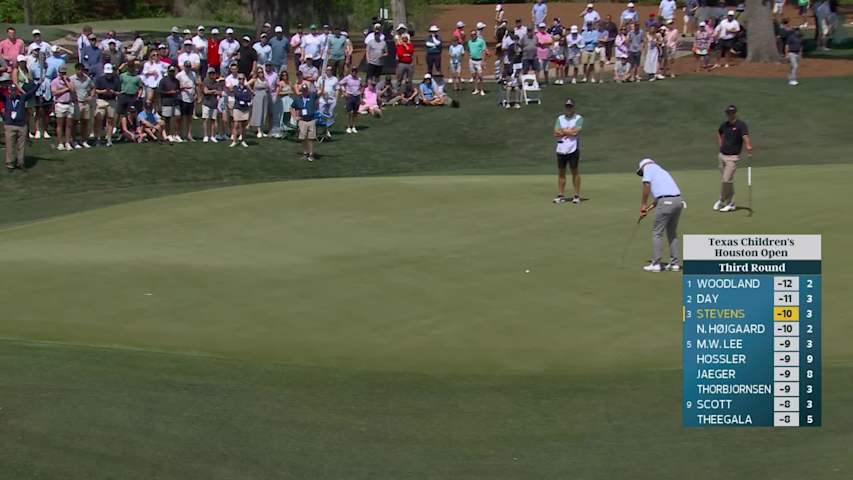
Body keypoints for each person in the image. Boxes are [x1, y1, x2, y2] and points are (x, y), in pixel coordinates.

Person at [636, 158, 683, 272]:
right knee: (672, 232)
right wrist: (647, 209)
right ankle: (675, 264)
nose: (642, 174)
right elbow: (661, 198)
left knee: (657, 233)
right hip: (678, 201)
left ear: (643, 166)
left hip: (666, 202)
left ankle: (656, 264)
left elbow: (647, 184)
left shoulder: (648, 167)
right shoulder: (662, 171)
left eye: (641, 172)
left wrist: (643, 204)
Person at [715, 105, 752, 212]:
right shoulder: (725, 125)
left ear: (735, 113)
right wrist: (720, 144)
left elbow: (745, 136)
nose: (729, 115)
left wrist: (748, 145)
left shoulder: (741, 125)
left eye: (731, 113)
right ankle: (731, 203)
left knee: (726, 180)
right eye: (727, 113)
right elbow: (719, 132)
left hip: (733, 157)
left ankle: (722, 199)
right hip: (722, 156)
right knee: (728, 182)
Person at [552, 98, 584, 204]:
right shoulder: (560, 118)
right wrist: (568, 131)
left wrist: (563, 131)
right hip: (561, 148)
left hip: (573, 148)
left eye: (570, 106)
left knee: (574, 171)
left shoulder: (579, 118)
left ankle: (577, 195)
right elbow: (556, 133)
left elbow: (576, 132)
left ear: (574, 108)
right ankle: (561, 195)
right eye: (567, 106)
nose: (568, 108)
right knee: (561, 172)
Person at [2, 82, 37, 171]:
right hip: (10, 125)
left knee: (21, 145)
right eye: (12, 90)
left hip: (21, 125)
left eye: (15, 90)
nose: (13, 92)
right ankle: (10, 164)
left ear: (17, 91)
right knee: (10, 145)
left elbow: (31, 93)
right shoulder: (6, 98)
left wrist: (39, 84)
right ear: (9, 91)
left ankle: (20, 162)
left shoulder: (22, 98)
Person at [94, 63, 121, 146]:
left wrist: (113, 92)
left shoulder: (116, 80)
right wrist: (104, 91)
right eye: (107, 73)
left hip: (112, 101)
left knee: (110, 120)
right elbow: (95, 90)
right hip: (101, 100)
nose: (108, 75)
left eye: (109, 73)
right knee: (99, 118)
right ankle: (97, 138)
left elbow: (119, 92)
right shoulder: (99, 79)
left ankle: (109, 138)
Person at [292, 83, 318, 161]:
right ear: (301, 91)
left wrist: (322, 81)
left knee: (311, 138)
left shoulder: (312, 96)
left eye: (306, 90)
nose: (304, 92)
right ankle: (305, 153)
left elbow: (319, 92)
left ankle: (311, 154)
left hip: (311, 120)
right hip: (302, 121)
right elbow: (292, 107)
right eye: (303, 90)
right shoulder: (298, 99)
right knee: (303, 138)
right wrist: (295, 116)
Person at [51, 65, 75, 151]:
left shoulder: (70, 80)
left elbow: (72, 89)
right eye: (62, 73)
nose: (63, 74)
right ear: (59, 73)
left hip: (69, 104)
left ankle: (67, 142)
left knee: (69, 125)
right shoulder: (55, 81)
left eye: (64, 72)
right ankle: (60, 143)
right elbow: (55, 92)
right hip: (60, 104)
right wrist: (65, 89)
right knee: (60, 125)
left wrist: (66, 81)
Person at [70, 63, 94, 148]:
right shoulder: (72, 79)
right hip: (76, 103)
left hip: (85, 103)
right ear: (76, 70)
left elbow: (92, 87)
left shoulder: (87, 78)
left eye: (82, 69)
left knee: (85, 122)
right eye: (79, 69)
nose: (80, 71)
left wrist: (91, 96)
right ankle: (74, 140)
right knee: (75, 122)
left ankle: (84, 140)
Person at [175, 60, 199, 141]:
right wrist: (183, 87)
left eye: (189, 66)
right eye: (186, 66)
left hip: (191, 98)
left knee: (189, 118)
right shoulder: (179, 75)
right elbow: (176, 87)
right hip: (182, 98)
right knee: (180, 118)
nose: (188, 68)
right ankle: (179, 134)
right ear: (184, 66)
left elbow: (195, 84)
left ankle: (189, 134)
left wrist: (196, 94)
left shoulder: (193, 74)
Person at [158, 65, 181, 143]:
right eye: (170, 71)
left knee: (178, 117)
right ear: (168, 71)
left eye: (173, 71)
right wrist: (169, 92)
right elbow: (160, 91)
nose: (172, 73)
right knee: (167, 119)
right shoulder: (163, 80)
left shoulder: (176, 81)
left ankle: (176, 135)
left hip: (175, 101)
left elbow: (178, 89)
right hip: (166, 102)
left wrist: (177, 92)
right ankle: (168, 135)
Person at [248, 65, 270, 137]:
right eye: (259, 72)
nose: (261, 73)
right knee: (258, 112)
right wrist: (252, 91)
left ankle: (262, 130)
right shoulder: (255, 80)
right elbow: (247, 84)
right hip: (257, 97)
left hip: (265, 97)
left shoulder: (265, 80)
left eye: (261, 72)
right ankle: (259, 130)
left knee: (264, 112)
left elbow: (268, 87)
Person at [201, 68, 222, 142]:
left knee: (213, 120)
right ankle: (205, 136)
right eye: (211, 73)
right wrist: (213, 91)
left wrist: (212, 91)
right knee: (205, 120)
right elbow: (205, 91)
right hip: (206, 103)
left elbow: (219, 93)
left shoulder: (217, 83)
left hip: (214, 104)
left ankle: (213, 136)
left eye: (213, 73)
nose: (212, 75)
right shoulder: (205, 81)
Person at [231, 74, 252, 148]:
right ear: (238, 80)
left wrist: (244, 100)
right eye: (240, 79)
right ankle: (234, 141)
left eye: (243, 79)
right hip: (237, 108)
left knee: (243, 125)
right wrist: (244, 98)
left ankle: (243, 140)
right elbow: (237, 95)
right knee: (236, 124)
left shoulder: (247, 88)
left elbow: (249, 96)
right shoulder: (236, 87)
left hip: (245, 108)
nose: (241, 80)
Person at [339, 66, 362, 133]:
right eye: (353, 71)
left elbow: (361, 86)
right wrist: (344, 92)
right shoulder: (347, 78)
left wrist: (361, 95)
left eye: (355, 71)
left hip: (357, 96)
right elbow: (340, 84)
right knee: (349, 112)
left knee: (355, 112)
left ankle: (354, 126)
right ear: (351, 71)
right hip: (350, 96)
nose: (354, 72)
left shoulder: (359, 79)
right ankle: (349, 126)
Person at [468, 30, 488, 95]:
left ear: (476, 34)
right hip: (472, 60)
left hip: (479, 61)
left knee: (480, 76)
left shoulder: (481, 41)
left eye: (474, 34)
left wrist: (483, 61)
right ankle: (476, 89)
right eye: (471, 35)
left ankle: (481, 90)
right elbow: (469, 50)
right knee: (474, 76)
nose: (473, 36)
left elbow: (484, 51)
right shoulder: (469, 42)